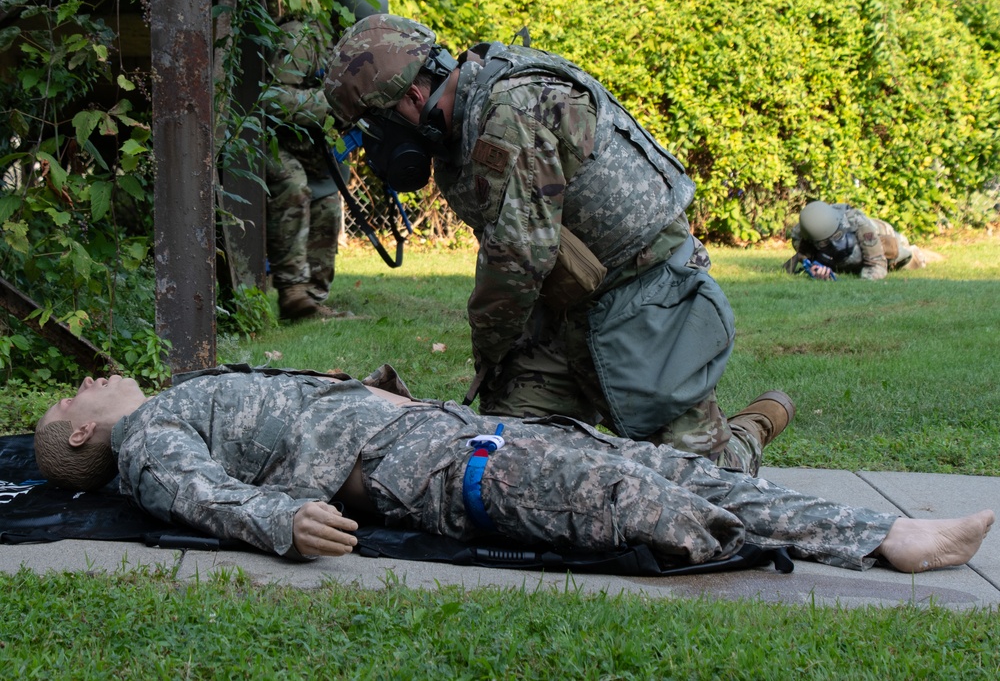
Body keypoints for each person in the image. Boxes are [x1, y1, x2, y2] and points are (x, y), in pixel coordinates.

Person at [322, 14, 782, 475]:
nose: (370, 146)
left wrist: (491, 351)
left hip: (641, 291)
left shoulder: (509, 116)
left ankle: (754, 426)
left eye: (372, 126)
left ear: (413, 97)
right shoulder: (458, 128)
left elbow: (517, 261)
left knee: (703, 482)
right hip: (560, 300)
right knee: (508, 469)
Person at [33, 368, 993, 574]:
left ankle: (877, 531)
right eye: (78, 394)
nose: (93, 379)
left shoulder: (173, 400)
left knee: (657, 462)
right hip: (435, 469)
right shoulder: (147, 438)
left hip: (447, 434)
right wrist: (279, 523)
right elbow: (200, 495)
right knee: (635, 497)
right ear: (82, 438)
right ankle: (864, 543)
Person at [263, 0, 388, 319]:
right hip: (270, 144)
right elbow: (271, 98)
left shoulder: (358, 56)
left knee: (330, 205)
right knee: (294, 186)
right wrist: (330, 104)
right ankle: (291, 291)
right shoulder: (302, 38)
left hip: (313, 154)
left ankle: (310, 301)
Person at [783, 200, 927, 281]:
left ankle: (915, 254)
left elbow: (876, 266)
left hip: (882, 233)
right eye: (821, 243)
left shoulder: (859, 225)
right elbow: (806, 256)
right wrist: (816, 269)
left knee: (896, 253)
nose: (825, 245)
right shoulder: (801, 233)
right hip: (849, 245)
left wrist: (860, 281)